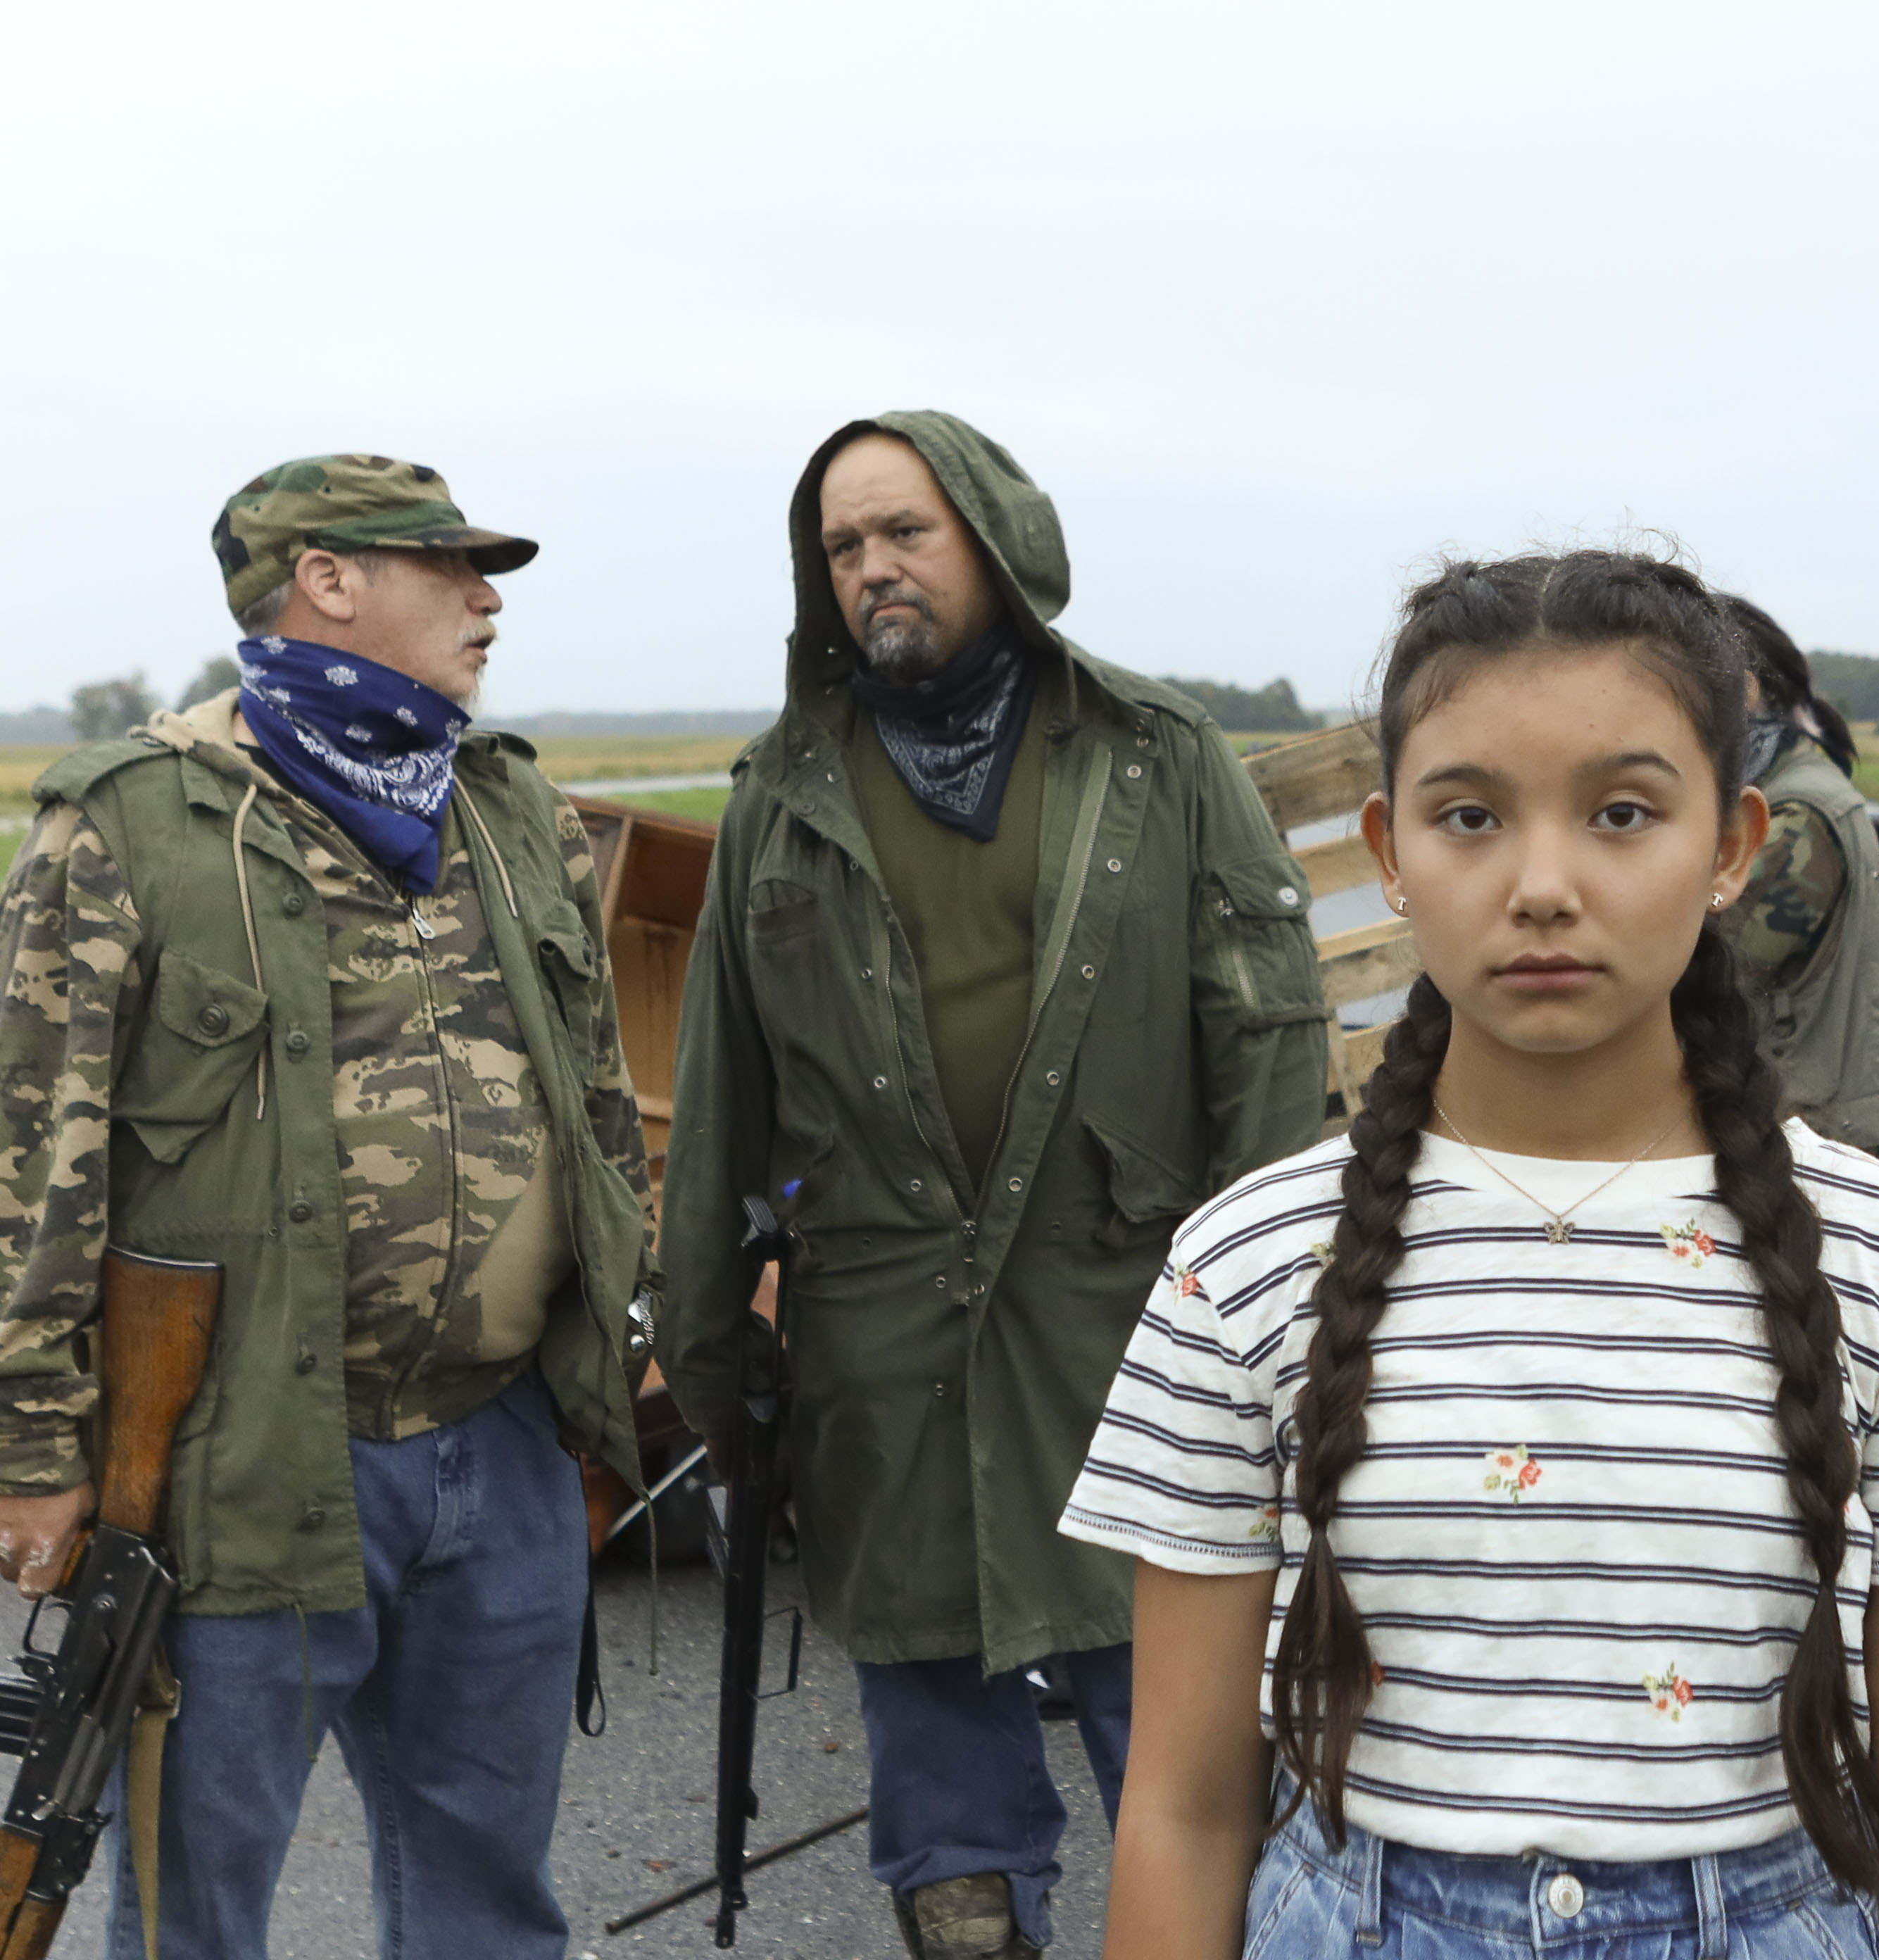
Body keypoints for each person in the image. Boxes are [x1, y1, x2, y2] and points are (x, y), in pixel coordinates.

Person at [1063, 550, 1879, 1960]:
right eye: (1470, 815)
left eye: (1622, 812)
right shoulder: (1243, 1269)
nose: (1543, 885)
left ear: (1732, 844)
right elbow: (1182, 1808)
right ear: (1387, 851)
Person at [659, 413, 1329, 1959]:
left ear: (996, 540)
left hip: (1129, 1332)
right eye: (843, 546)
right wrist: (705, 1351)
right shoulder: (784, 790)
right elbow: (722, 1092)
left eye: (908, 531)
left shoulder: (1157, 755)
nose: (874, 569)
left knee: (1188, 1755)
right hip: (882, 1347)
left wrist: (1271, 1324)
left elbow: (1268, 1046)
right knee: (944, 1819)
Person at [0, 454, 654, 1957]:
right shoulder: (128, 826)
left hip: (503, 1439)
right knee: (196, 1909)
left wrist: (625, 1339)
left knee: (490, 1898)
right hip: (246, 1464)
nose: (487, 599)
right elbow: (34, 1164)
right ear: (328, 582)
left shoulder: (510, 808)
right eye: (451, 566)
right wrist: (33, 1450)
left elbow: (598, 1102)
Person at [1714, 595, 1879, 1169]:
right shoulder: (1791, 788)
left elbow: (1707, 962)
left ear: (1748, 691)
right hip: (1821, 1126)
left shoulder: (1798, 817)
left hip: (1833, 1144)